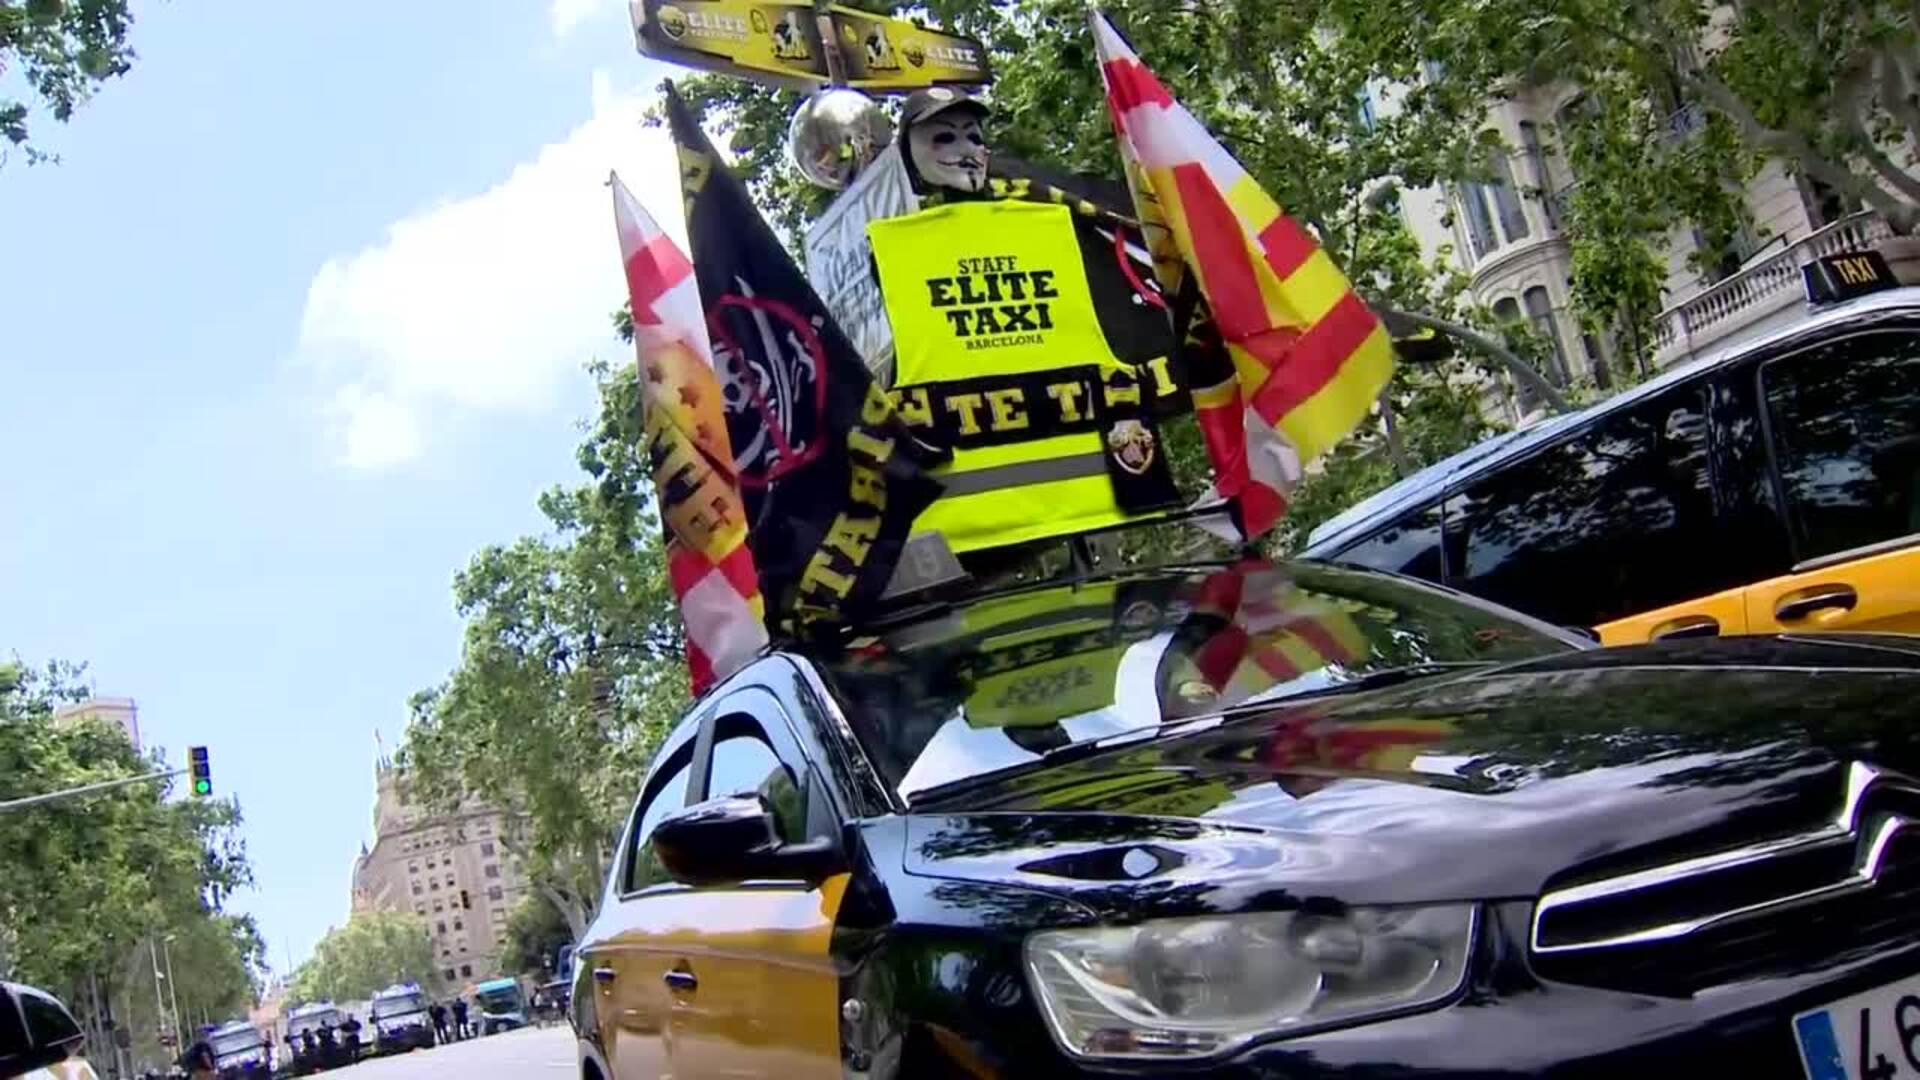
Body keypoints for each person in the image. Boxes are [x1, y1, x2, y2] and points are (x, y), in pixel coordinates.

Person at [866, 87, 1185, 557]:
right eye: (943, 138)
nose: (965, 150)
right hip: (989, 524)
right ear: (909, 158)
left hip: (1092, 504)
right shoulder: (893, 248)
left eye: (974, 137)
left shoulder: (1052, 223)